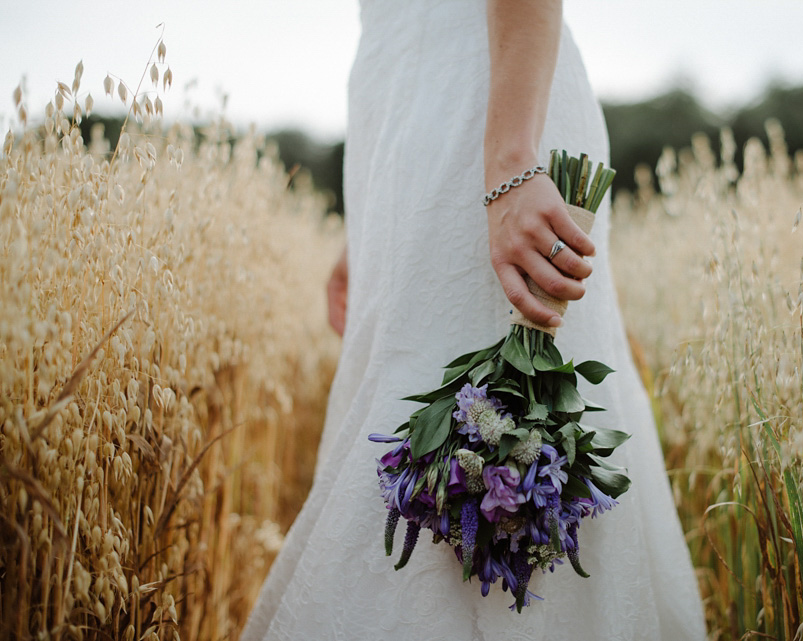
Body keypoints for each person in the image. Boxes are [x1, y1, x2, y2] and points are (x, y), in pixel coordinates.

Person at [240, 1, 707, 639]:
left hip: (495, 105)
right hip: (408, 121)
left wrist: (511, 160)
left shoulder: (503, 148)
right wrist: (369, 229)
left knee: (512, 416)